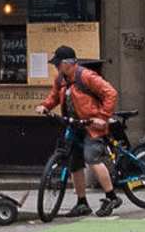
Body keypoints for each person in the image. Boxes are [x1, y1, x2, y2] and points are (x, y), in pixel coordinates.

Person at [39, 45, 122, 212]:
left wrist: (102, 117)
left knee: (91, 158)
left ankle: (112, 197)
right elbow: (54, 97)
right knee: (74, 163)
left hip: (92, 125)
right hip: (74, 125)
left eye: (57, 64)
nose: (56, 67)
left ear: (68, 63)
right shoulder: (60, 80)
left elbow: (111, 93)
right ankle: (82, 202)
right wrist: (44, 106)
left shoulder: (86, 76)